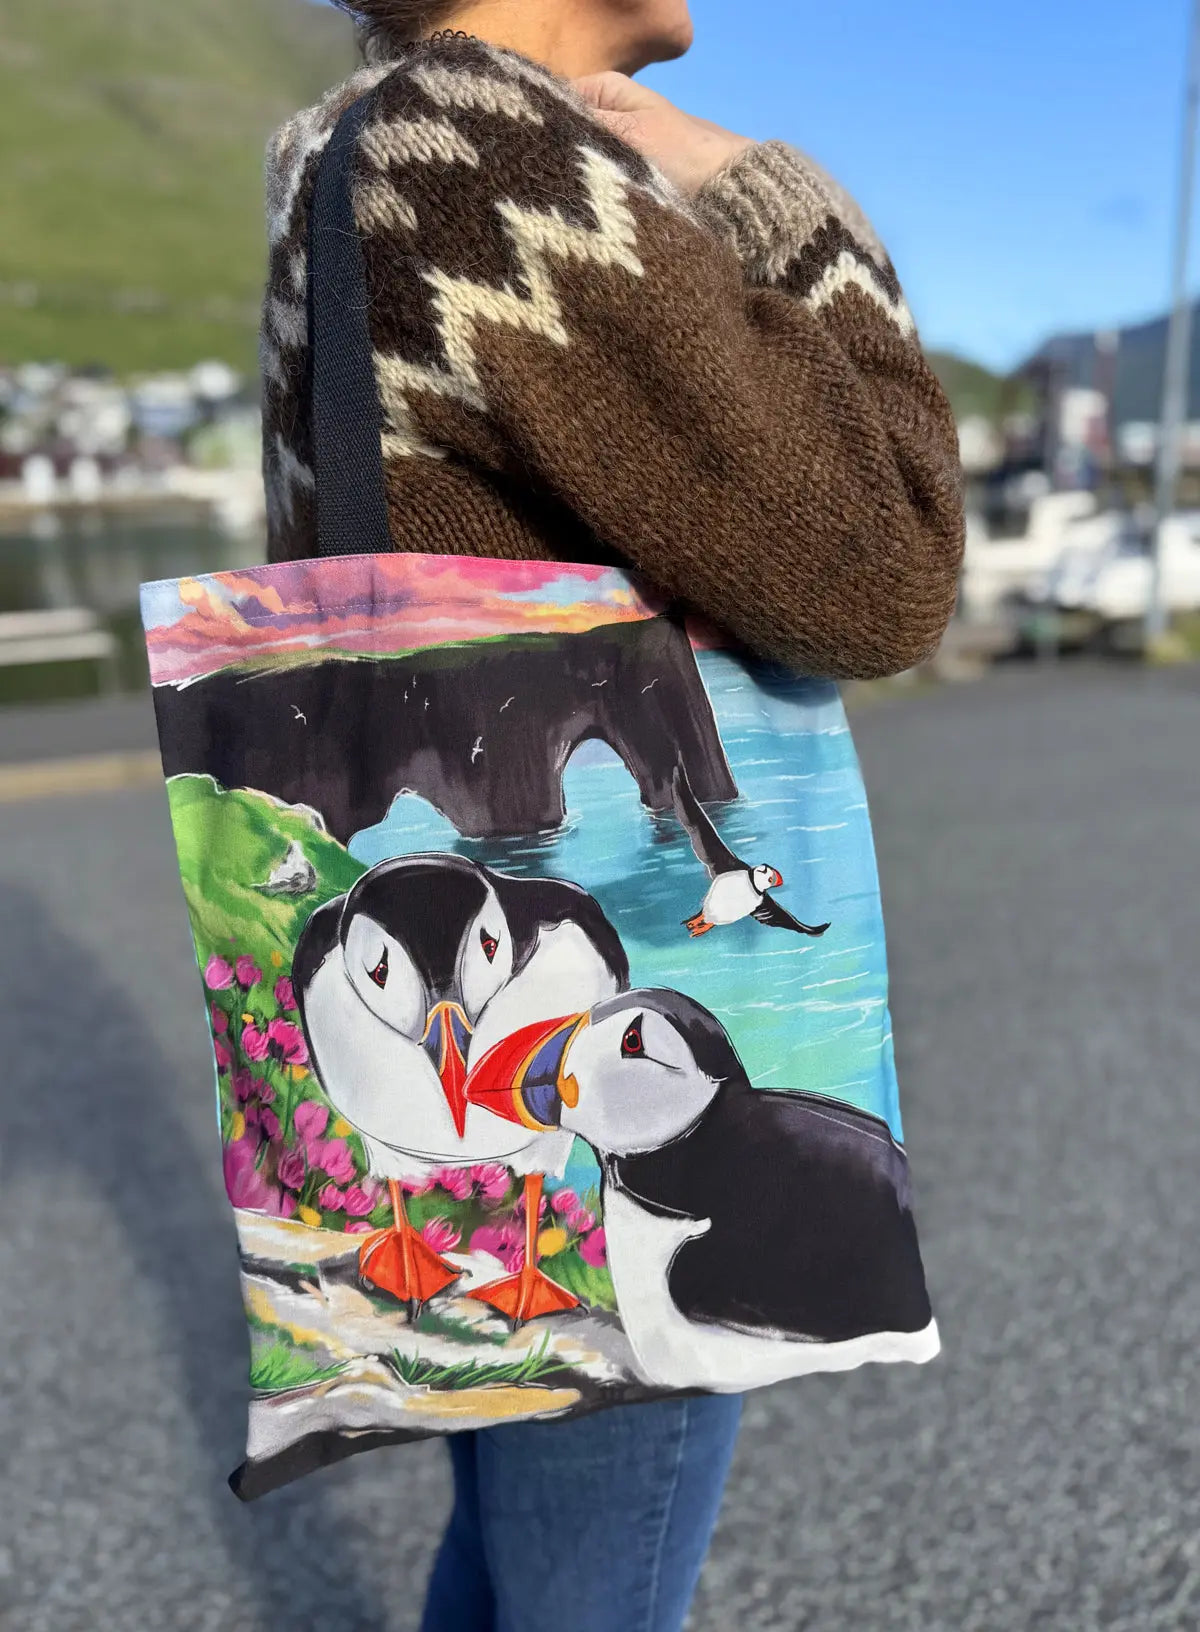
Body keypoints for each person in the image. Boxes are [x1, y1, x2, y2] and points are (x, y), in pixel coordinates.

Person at [259, 3, 964, 1628]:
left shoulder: (342, 150)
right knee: (592, 1587)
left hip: (489, 1146)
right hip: (593, 1149)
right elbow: (884, 563)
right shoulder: (484, 158)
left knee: (510, 1548)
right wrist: (783, 202)